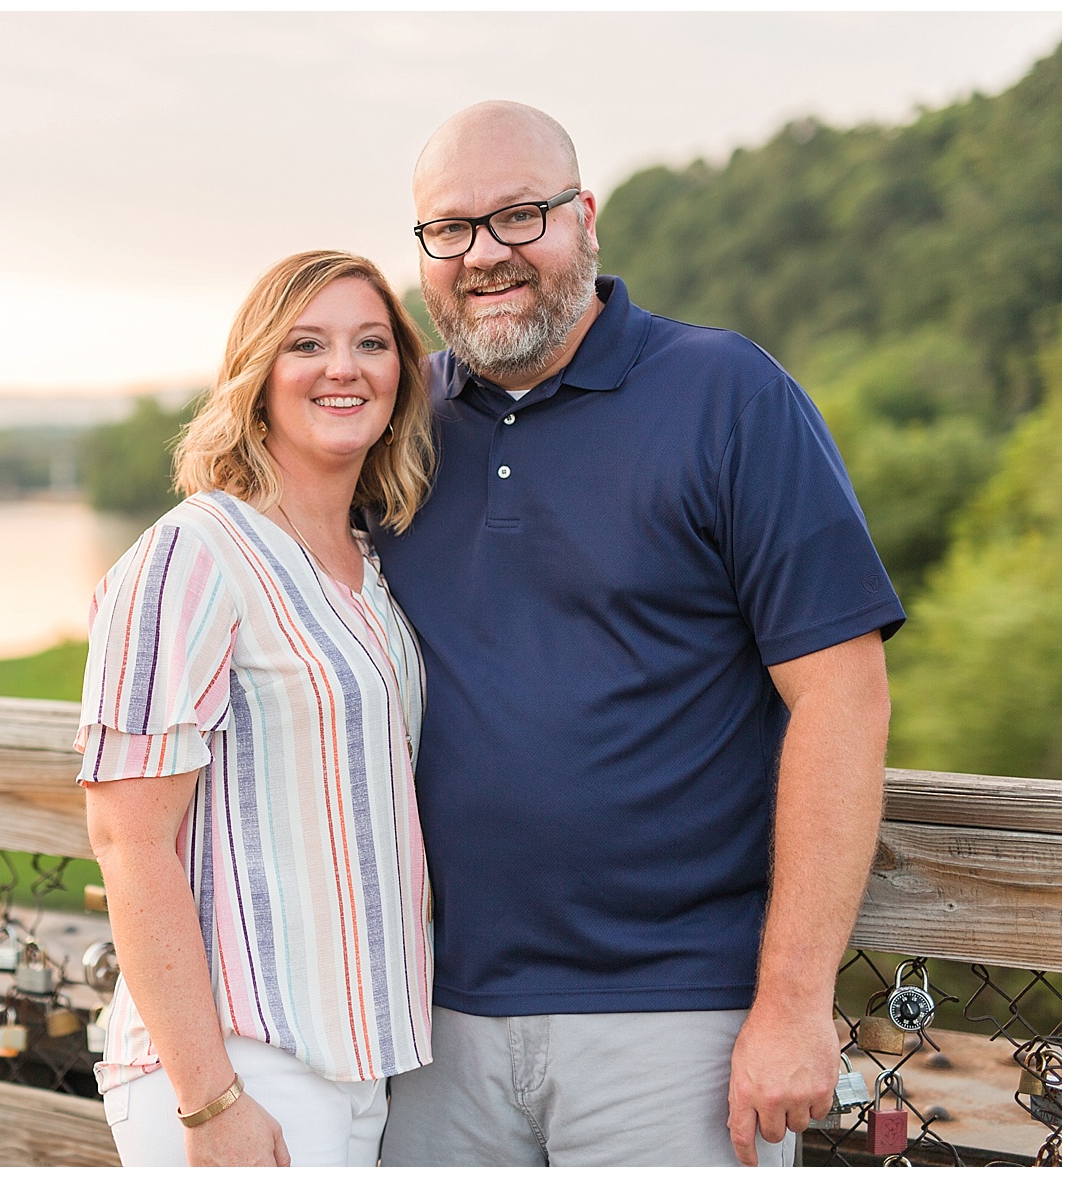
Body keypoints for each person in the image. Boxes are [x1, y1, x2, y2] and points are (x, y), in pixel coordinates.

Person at [371, 102, 905, 1167]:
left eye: (520, 216)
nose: (485, 255)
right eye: (451, 228)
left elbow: (842, 697)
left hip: (675, 1022)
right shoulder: (392, 423)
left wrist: (795, 1003)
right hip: (427, 1020)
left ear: (586, 218)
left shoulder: (729, 395)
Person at [76, 250, 437, 1166]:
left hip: (359, 1070)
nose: (343, 367)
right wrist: (209, 1102)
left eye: (370, 342)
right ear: (257, 376)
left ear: (402, 371)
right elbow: (129, 840)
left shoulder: (368, 570)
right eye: (305, 344)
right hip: (235, 1067)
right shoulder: (192, 555)